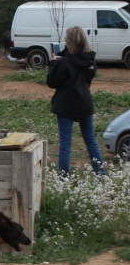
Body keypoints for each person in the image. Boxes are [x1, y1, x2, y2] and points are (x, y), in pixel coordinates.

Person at [46, 26, 104, 176]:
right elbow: (88, 79)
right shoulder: (90, 59)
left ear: (69, 42)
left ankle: (64, 176)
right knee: (90, 139)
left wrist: (53, 63)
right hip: (84, 102)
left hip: (66, 105)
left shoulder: (63, 62)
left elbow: (51, 82)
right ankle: (100, 173)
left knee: (65, 143)